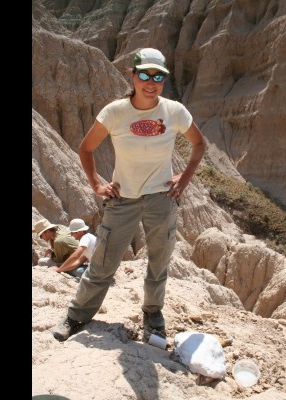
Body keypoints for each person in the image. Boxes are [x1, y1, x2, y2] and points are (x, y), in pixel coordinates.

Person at [52, 47, 206, 342]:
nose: (151, 82)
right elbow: (86, 148)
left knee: (158, 263)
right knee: (103, 263)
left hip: (161, 198)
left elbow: (199, 144)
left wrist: (183, 179)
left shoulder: (174, 112)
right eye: (145, 74)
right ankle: (76, 315)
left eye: (158, 76)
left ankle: (153, 314)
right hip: (123, 199)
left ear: (164, 80)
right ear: (133, 75)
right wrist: (97, 184)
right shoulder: (115, 112)